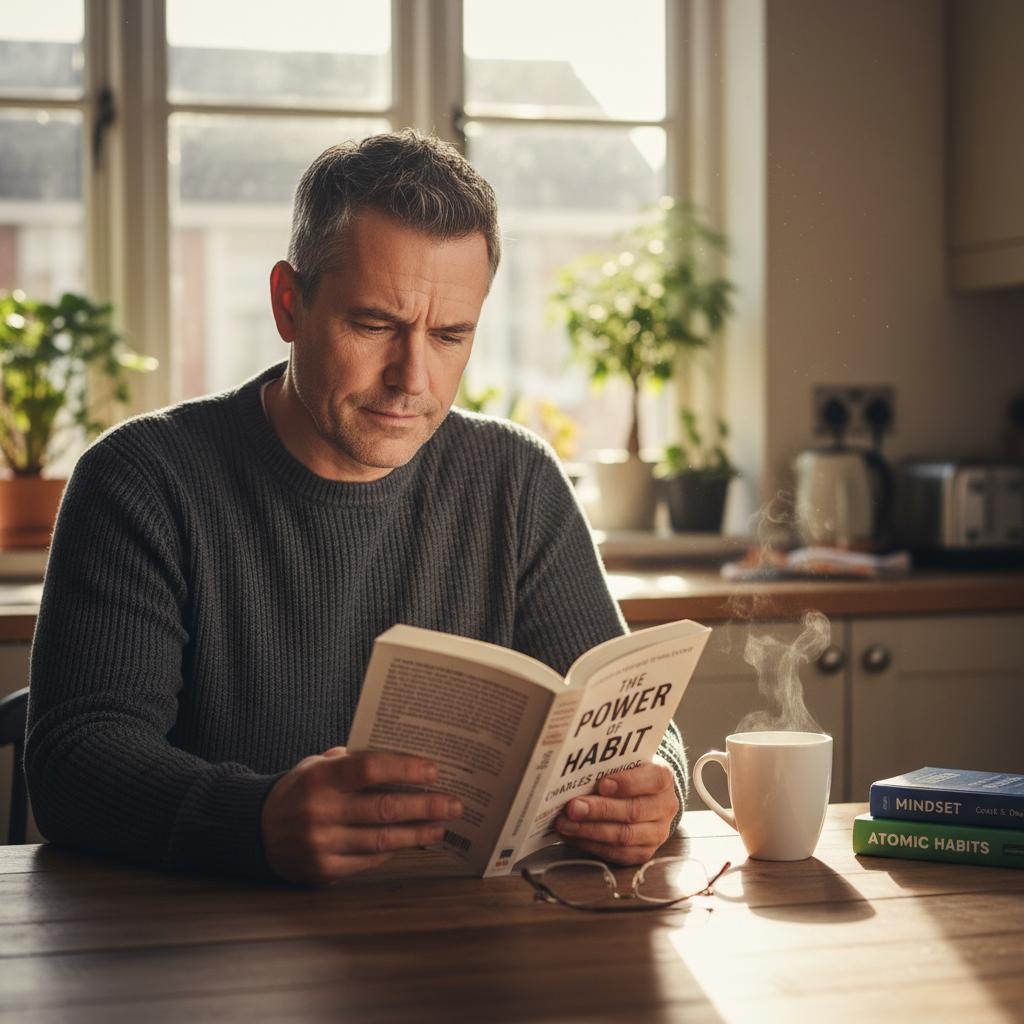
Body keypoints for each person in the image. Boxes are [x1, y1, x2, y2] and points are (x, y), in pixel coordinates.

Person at [26, 129, 688, 885]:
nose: (413, 377)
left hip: (466, 951)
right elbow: (73, 764)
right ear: (288, 303)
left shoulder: (518, 480)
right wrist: (256, 817)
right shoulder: (142, 479)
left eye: (450, 335)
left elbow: (631, 719)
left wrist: (656, 782)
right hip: (215, 953)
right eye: (374, 325)